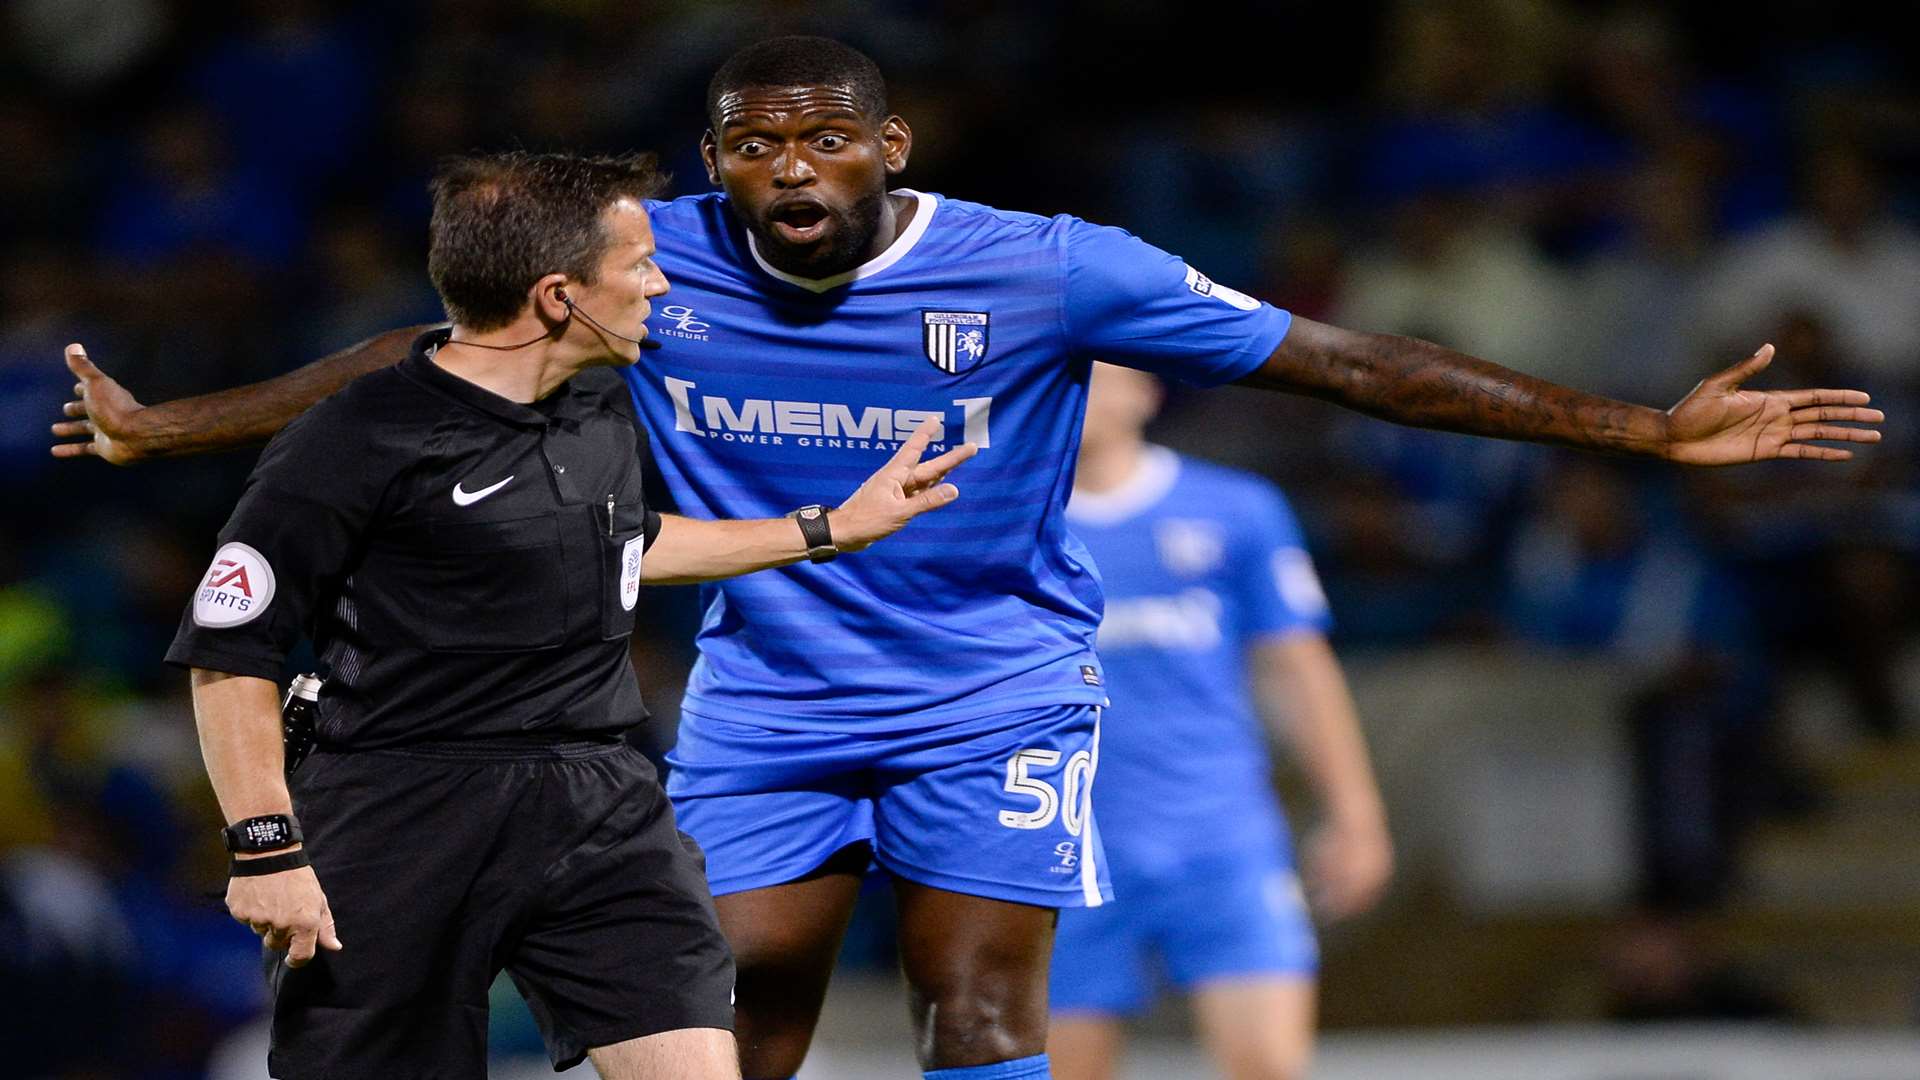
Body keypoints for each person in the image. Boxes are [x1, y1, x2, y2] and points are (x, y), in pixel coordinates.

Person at [52, 36, 1882, 1080]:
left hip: (993, 681)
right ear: (713, 161)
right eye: (754, 141)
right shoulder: (642, 260)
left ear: (888, 148)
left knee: (981, 1003)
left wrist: (1639, 431)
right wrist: (171, 425)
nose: (789, 166)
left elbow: (1351, 362)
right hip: (763, 685)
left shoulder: (1047, 263)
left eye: (824, 138)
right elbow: (423, 360)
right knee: (735, 998)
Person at [160, 149, 972, 1080]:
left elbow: (621, 543)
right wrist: (267, 849)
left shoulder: (594, 406)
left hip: (598, 800)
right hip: (398, 809)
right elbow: (230, 648)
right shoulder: (358, 437)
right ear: (558, 295)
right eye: (638, 265)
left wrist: (826, 529)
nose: (661, 284)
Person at [1047, 364, 1390, 1080]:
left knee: (1267, 1065)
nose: (1079, 391)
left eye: (1098, 374)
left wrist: (1355, 815)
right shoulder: (1011, 522)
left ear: (1148, 389)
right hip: (1064, 847)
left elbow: (1297, 667)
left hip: (1220, 836)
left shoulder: (1235, 509)